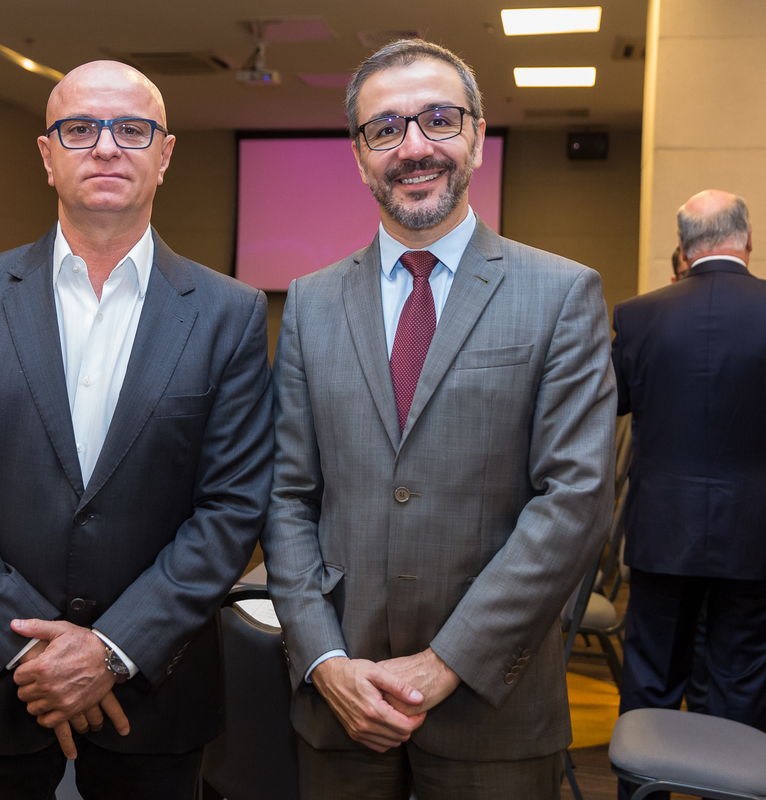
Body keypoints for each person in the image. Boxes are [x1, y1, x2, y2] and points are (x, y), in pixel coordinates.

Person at [0, 60, 274, 800]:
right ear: (47, 155)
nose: (105, 147)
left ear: (164, 155)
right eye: (79, 129)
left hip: (155, 691)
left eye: (131, 129)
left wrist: (111, 648)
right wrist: (36, 653)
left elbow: (231, 509)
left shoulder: (229, 314)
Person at [261, 39, 616, 799]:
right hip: (341, 703)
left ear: (477, 137)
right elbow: (287, 496)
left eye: (439, 119)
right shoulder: (311, 303)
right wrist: (323, 659)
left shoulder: (561, 294)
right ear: (360, 156)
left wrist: (444, 662)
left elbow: (575, 501)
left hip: (494, 707)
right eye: (385, 128)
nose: (414, 147)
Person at [612, 190, 766, 797]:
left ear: (684, 246)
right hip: (763, 538)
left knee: (650, 685)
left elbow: (610, 407)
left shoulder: (638, 316)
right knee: (739, 691)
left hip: (662, 533)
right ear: (747, 239)